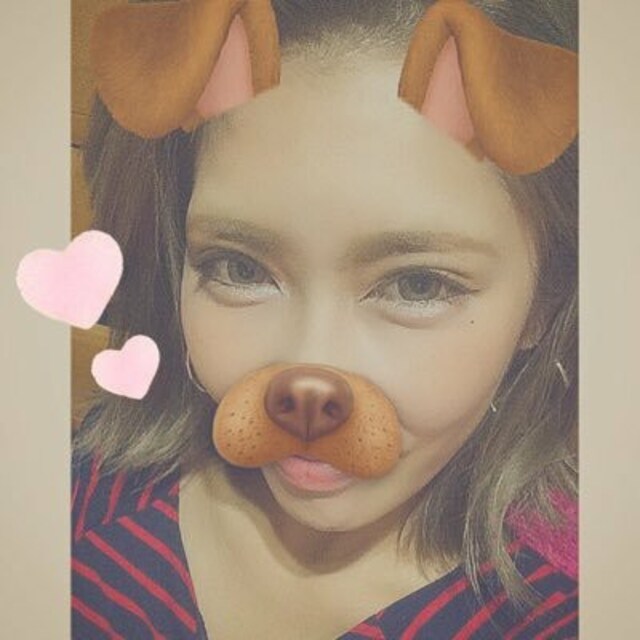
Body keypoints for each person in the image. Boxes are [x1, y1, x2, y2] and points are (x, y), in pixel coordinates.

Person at [72, 0, 578, 637]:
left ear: (543, 302)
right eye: (239, 269)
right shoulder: (84, 493)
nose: (309, 375)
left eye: (418, 285)